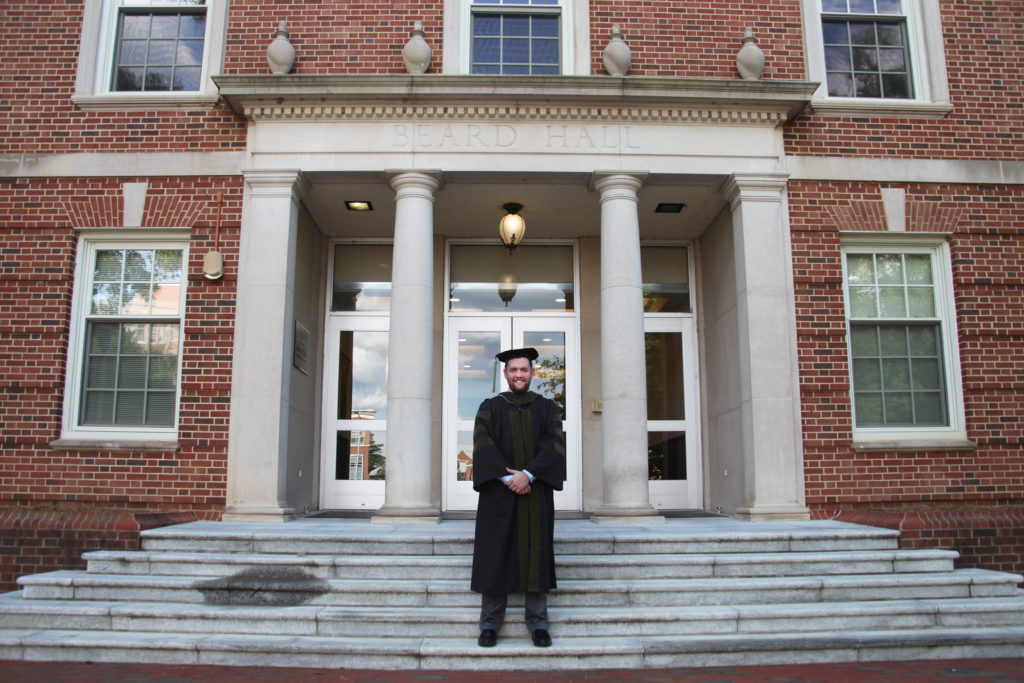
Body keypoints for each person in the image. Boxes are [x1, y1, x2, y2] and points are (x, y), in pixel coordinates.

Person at [471, 347, 566, 648]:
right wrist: (510, 477)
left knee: (535, 552)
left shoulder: (547, 408)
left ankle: (538, 623)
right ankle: (489, 624)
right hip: (498, 495)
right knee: (495, 552)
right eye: (513, 370)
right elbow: (483, 445)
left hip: (535, 493)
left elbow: (554, 444)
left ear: (533, 373)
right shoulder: (490, 407)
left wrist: (529, 474)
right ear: (505, 373)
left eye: (524, 370)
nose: (519, 375)